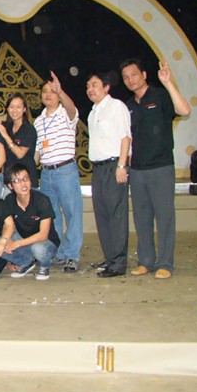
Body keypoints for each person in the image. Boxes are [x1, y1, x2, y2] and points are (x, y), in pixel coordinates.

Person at [121, 59, 191, 279]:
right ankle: (145, 261)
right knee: (142, 218)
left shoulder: (160, 95)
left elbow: (184, 110)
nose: (130, 80)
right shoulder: (128, 106)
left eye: (134, 74)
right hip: (137, 170)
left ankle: (165, 264)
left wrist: (168, 83)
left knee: (164, 217)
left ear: (144, 74)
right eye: (125, 77)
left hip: (161, 167)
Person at [33, 71, 83, 273]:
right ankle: (60, 253)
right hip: (46, 173)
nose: (48, 94)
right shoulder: (38, 121)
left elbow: (72, 109)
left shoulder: (65, 113)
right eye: (45, 91)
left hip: (65, 170)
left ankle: (72, 255)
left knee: (72, 213)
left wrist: (61, 91)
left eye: (52, 91)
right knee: (52, 215)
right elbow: (38, 150)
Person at [86, 73, 131, 278]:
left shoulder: (116, 106)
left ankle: (119, 263)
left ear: (106, 87)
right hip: (98, 168)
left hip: (114, 166)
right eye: (88, 86)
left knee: (116, 215)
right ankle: (111, 257)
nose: (90, 89)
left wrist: (122, 165)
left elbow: (125, 137)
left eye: (95, 85)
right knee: (102, 215)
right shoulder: (92, 113)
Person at [3, 163, 60, 281]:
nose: (23, 184)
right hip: (24, 240)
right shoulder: (9, 200)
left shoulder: (42, 200)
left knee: (38, 249)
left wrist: (17, 244)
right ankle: (25, 262)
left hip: (45, 242)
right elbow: (7, 225)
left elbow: (43, 235)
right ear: (10, 186)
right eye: (17, 181)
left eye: (26, 179)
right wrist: (6, 240)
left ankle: (45, 266)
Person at [0, 93, 38, 192]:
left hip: (26, 181)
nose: (14, 110)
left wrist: (5, 135)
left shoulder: (29, 129)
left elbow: (20, 154)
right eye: (11, 107)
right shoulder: (7, 126)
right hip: (10, 181)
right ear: (7, 109)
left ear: (24, 109)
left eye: (18, 107)